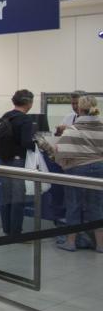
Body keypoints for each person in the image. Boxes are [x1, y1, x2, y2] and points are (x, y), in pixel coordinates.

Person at [52, 95, 103, 253]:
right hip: (100, 169)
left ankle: (71, 242)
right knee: (97, 207)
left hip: (77, 170)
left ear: (80, 109)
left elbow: (60, 153)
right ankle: (100, 245)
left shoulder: (73, 130)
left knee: (73, 205)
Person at [0, 89, 35, 237]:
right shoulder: (25, 119)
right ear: (28, 103)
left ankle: (7, 229)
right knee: (18, 197)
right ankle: (16, 232)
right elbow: (26, 142)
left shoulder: (6, 116)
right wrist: (35, 144)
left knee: (6, 197)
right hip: (18, 162)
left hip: (4, 161)